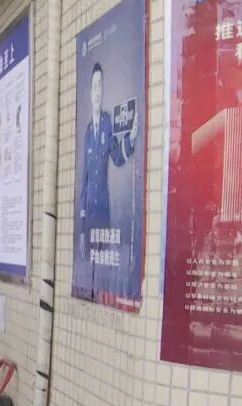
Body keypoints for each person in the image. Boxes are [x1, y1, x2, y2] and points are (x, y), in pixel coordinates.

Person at [77, 62, 138, 263]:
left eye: (100, 86)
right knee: (89, 261)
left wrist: (131, 138)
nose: (97, 91)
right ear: (90, 92)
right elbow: (85, 180)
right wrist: (82, 227)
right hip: (89, 213)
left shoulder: (107, 124)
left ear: (102, 91)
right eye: (94, 86)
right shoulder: (87, 134)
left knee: (103, 260)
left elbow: (117, 157)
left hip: (103, 211)